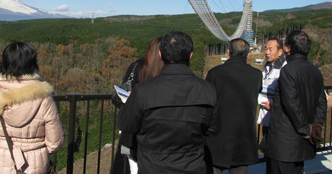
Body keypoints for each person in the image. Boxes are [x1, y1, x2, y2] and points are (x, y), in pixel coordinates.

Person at [118, 31, 219, 173]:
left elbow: (126, 124)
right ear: (191, 55)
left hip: (152, 167)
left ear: (161, 54)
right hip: (192, 166)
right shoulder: (208, 90)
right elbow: (213, 129)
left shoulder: (143, 91)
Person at [0, 41, 64, 174]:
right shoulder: (43, 98)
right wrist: (36, 150)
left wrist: (1, 144)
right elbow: (55, 142)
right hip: (33, 164)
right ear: (32, 64)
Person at [261, 31, 327, 174]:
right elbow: (322, 102)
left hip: (284, 143)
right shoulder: (315, 71)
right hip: (301, 143)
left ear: (288, 48)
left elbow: (291, 103)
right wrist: (316, 126)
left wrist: (305, 129)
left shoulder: (288, 70)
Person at [205, 38, 262, 174]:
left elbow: (208, 101)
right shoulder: (256, 75)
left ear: (229, 52)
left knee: (214, 168)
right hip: (243, 137)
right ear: (248, 54)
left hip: (217, 136)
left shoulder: (215, 73)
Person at [111, 36, 164, 174]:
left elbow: (123, 91)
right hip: (156, 134)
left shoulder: (136, 67)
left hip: (132, 133)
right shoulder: (166, 74)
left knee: (129, 164)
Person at [257, 37, 287, 131]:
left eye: (271, 49)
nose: (267, 52)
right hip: (265, 117)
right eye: (266, 49)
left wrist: (274, 105)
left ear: (280, 52)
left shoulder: (284, 69)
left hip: (277, 120)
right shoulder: (267, 67)